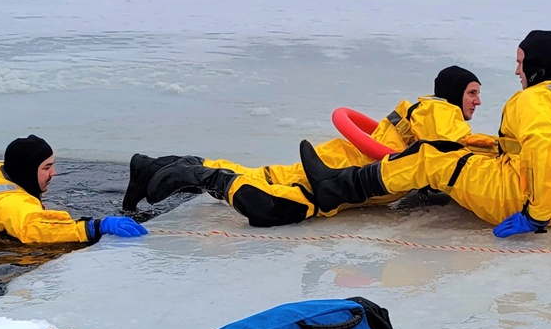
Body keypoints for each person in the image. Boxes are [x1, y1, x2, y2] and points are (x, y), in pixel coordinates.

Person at [298, 30, 551, 237]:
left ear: (536, 65)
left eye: (520, 63)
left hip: (518, 201)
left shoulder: (534, 99)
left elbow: (545, 152)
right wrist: (480, 145)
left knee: (430, 157)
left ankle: (335, 187)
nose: (517, 71)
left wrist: (536, 215)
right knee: (460, 156)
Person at [123, 66, 492, 227]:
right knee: (287, 196)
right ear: (453, 91)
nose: (476, 101)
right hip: (348, 170)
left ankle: (157, 166)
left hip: (344, 156)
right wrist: (502, 149)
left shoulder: (423, 106)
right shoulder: (443, 112)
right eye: (472, 93)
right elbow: (456, 151)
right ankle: (193, 174)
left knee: (266, 175)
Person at [0, 135, 147, 244]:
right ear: (26, 171)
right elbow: (34, 229)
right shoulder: (11, 204)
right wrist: (94, 226)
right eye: (46, 167)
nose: (54, 173)